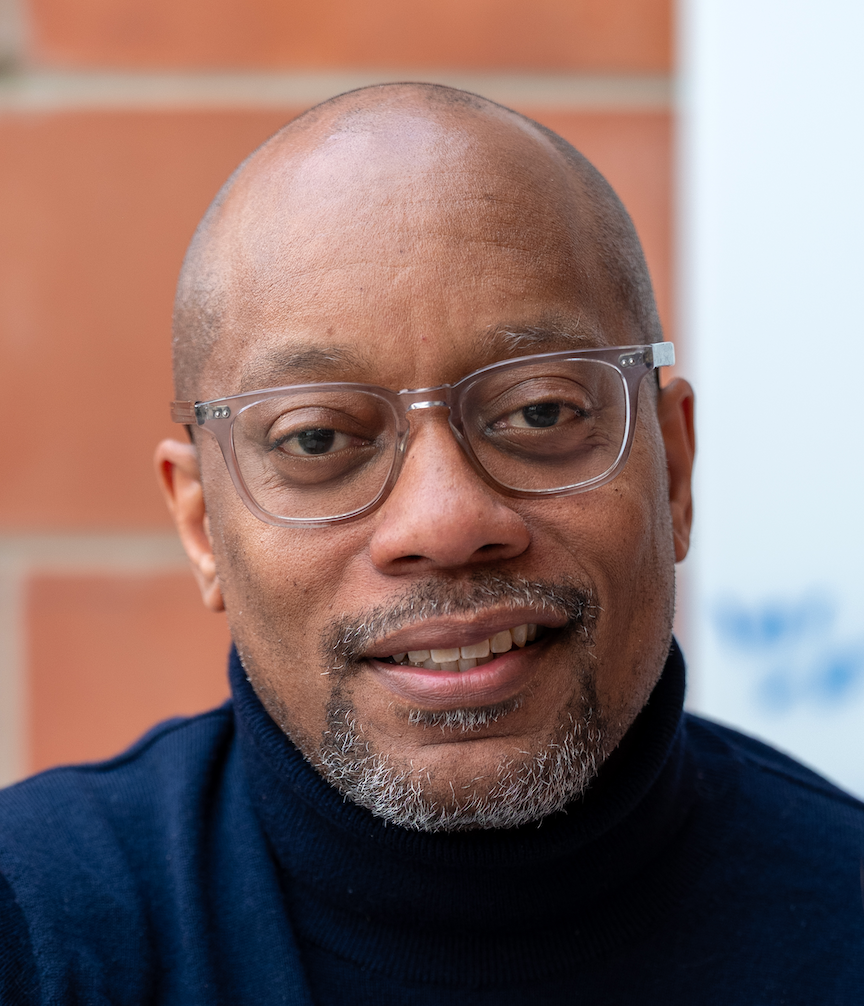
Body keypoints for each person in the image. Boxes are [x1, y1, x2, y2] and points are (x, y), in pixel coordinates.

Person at [1, 83, 862, 1005]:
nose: (445, 524)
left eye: (539, 412)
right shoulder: (35, 932)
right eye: (316, 439)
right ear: (202, 527)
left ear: (675, 471)